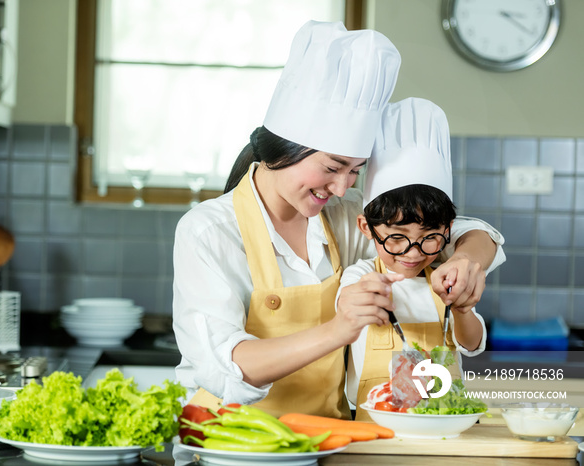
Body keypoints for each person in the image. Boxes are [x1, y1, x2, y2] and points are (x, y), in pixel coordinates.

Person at [172, 21, 504, 420]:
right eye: (333, 167)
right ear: (286, 148)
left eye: (356, 172)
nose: (343, 187)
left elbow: (456, 232)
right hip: (230, 444)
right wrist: (338, 328)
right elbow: (227, 365)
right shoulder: (209, 231)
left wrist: (464, 262)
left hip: (326, 445)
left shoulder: (342, 221)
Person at [338, 97, 488, 421]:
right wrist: (371, 292)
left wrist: (461, 309)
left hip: (443, 419)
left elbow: (473, 345)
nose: (414, 252)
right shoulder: (359, 274)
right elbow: (346, 304)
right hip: (373, 421)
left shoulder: (447, 278)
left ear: (448, 229)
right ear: (367, 228)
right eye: (396, 238)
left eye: (430, 237)